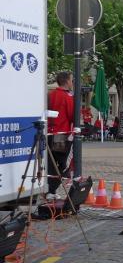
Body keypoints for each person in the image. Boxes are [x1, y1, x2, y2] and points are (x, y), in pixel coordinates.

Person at [46, 71, 75, 200]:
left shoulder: (50, 95)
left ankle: (50, 190)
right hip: (62, 135)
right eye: (71, 80)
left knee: (51, 164)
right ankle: (53, 188)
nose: (72, 82)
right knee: (65, 165)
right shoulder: (67, 97)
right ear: (67, 81)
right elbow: (72, 116)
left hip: (49, 134)